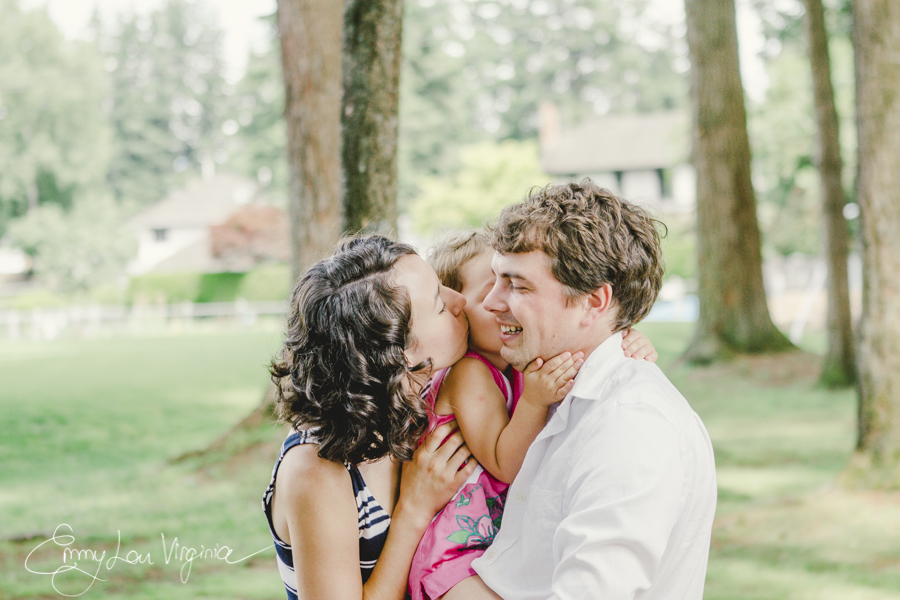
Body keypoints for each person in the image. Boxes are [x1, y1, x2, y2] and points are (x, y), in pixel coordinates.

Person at [463, 181, 718, 599]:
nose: (491, 302)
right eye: (495, 279)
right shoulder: (551, 391)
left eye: (518, 284)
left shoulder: (631, 428)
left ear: (593, 302)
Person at [408, 231, 658, 600]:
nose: (502, 303)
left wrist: (627, 339)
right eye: (487, 293)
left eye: (514, 287)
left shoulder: (517, 365)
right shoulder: (468, 373)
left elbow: (575, 346)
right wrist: (533, 401)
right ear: (459, 311)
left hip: (492, 548)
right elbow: (504, 464)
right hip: (451, 556)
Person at [262, 235, 479, 600]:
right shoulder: (316, 471)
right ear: (397, 353)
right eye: (440, 304)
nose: (461, 301)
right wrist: (414, 508)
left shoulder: (429, 400)